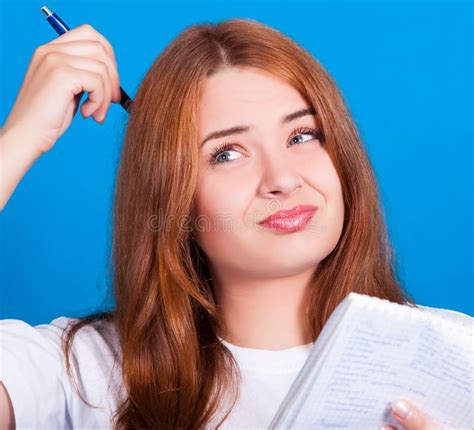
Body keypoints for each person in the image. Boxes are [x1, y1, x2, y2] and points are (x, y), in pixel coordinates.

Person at [0, 19, 466, 430]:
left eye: (302, 136)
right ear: (172, 195)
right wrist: (20, 138)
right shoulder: (83, 373)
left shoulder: (458, 355)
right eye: (226, 153)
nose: (283, 179)